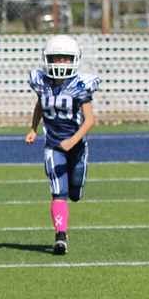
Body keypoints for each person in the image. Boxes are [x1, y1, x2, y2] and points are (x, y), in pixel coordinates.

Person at [25, 34, 99, 255]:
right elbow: (40, 106)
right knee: (59, 192)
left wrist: (73, 140)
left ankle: (74, 192)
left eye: (65, 58)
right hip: (53, 145)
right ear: (48, 58)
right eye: (57, 57)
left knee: (75, 190)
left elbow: (90, 120)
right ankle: (61, 235)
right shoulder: (42, 84)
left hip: (76, 146)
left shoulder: (80, 85)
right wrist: (33, 129)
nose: (61, 62)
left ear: (74, 59)